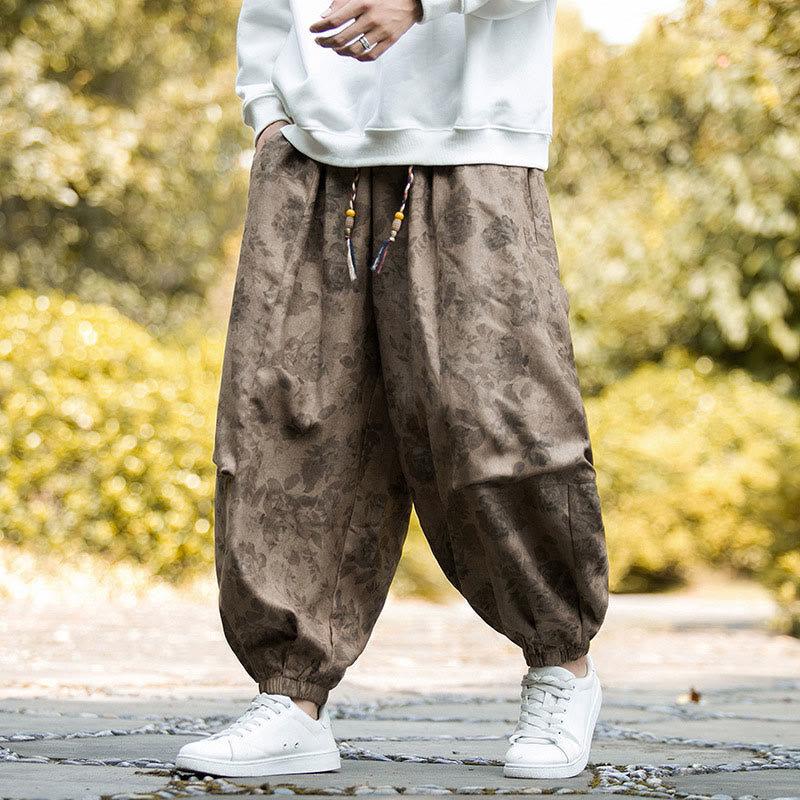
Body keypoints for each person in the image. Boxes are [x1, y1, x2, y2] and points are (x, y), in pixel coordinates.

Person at [175, 0, 610, 782]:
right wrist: (267, 108)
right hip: (308, 146)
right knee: (289, 420)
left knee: (493, 417)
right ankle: (293, 696)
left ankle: (561, 666)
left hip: (471, 139)